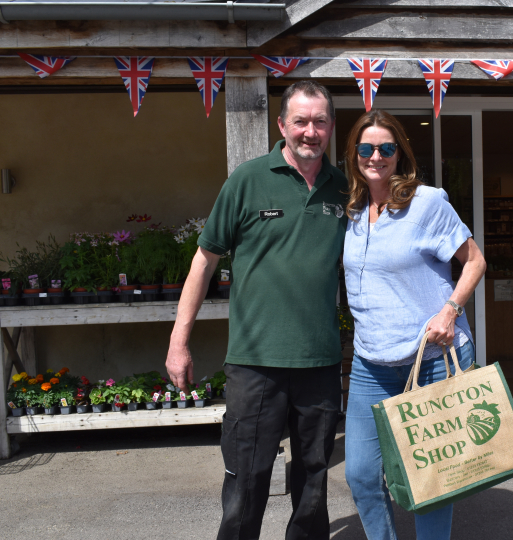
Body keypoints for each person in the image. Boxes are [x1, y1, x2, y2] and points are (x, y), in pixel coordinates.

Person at [165, 80, 348, 540]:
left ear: (331, 127)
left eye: (320, 121)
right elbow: (203, 263)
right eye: (301, 121)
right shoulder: (247, 180)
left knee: (313, 484)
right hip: (254, 364)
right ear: (282, 124)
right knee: (247, 482)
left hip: (319, 362)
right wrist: (178, 342)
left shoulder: (345, 188)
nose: (311, 131)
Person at [341, 109, 486, 540]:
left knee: (433, 479)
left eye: (386, 148)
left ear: (400, 153)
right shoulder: (351, 210)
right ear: (354, 155)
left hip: (432, 358)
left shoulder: (426, 202)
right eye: (366, 148)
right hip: (371, 362)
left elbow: (475, 261)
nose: (376, 156)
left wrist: (450, 310)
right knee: (362, 475)